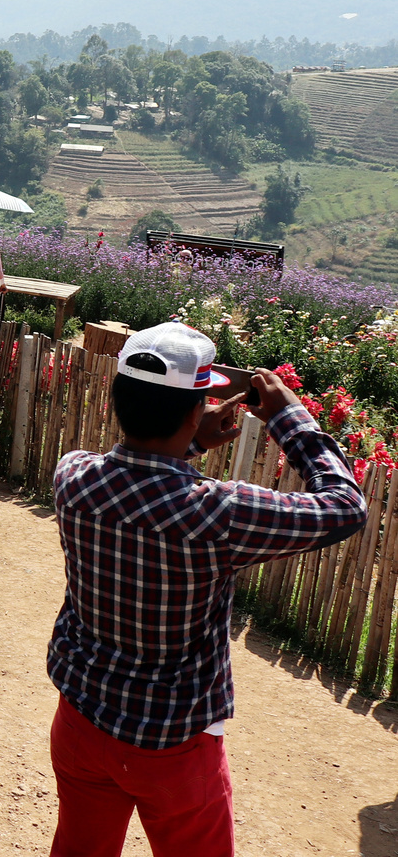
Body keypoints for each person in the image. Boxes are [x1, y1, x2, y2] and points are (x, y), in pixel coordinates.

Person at [47, 325, 366, 857]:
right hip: (173, 744)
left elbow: (130, 478)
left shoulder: (73, 477)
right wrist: (290, 418)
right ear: (195, 410)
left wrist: (189, 443)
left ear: (115, 398)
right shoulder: (216, 513)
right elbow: (345, 508)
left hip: (81, 716)